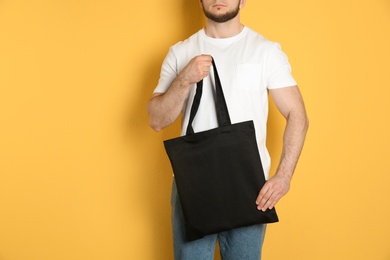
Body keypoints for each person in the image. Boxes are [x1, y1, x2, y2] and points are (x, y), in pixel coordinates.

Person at [148, 0, 309, 259]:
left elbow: (297, 114)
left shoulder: (265, 50)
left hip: (249, 186)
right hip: (192, 186)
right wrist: (185, 78)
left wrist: (283, 177)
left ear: (242, 0)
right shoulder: (181, 52)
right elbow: (157, 120)